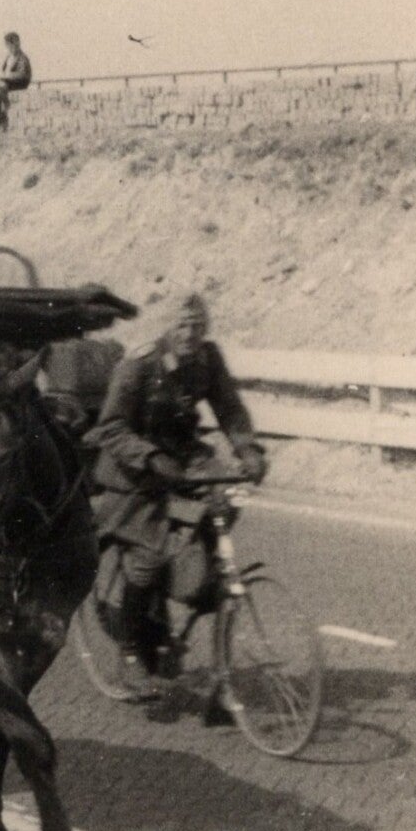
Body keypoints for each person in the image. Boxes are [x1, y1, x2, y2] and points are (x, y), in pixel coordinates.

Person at [84, 293, 267, 698]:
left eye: (198, 326)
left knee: (219, 510)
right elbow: (110, 428)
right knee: (148, 557)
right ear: (167, 328)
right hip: (132, 474)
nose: (190, 335)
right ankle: (132, 652)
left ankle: (188, 594)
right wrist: (150, 459)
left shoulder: (207, 359)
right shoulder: (140, 364)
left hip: (182, 460)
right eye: (182, 326)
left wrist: (247, 449)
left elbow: (230, 410)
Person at [0, 31, 33, 131]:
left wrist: (7, 76)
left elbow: (23, 74)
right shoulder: (8, 57)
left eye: (12, 44)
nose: (10, 47)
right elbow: (4, 70)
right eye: (8, 45)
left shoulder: (22, 58)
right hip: (8, 82)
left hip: (19, 83)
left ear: (17, 43)